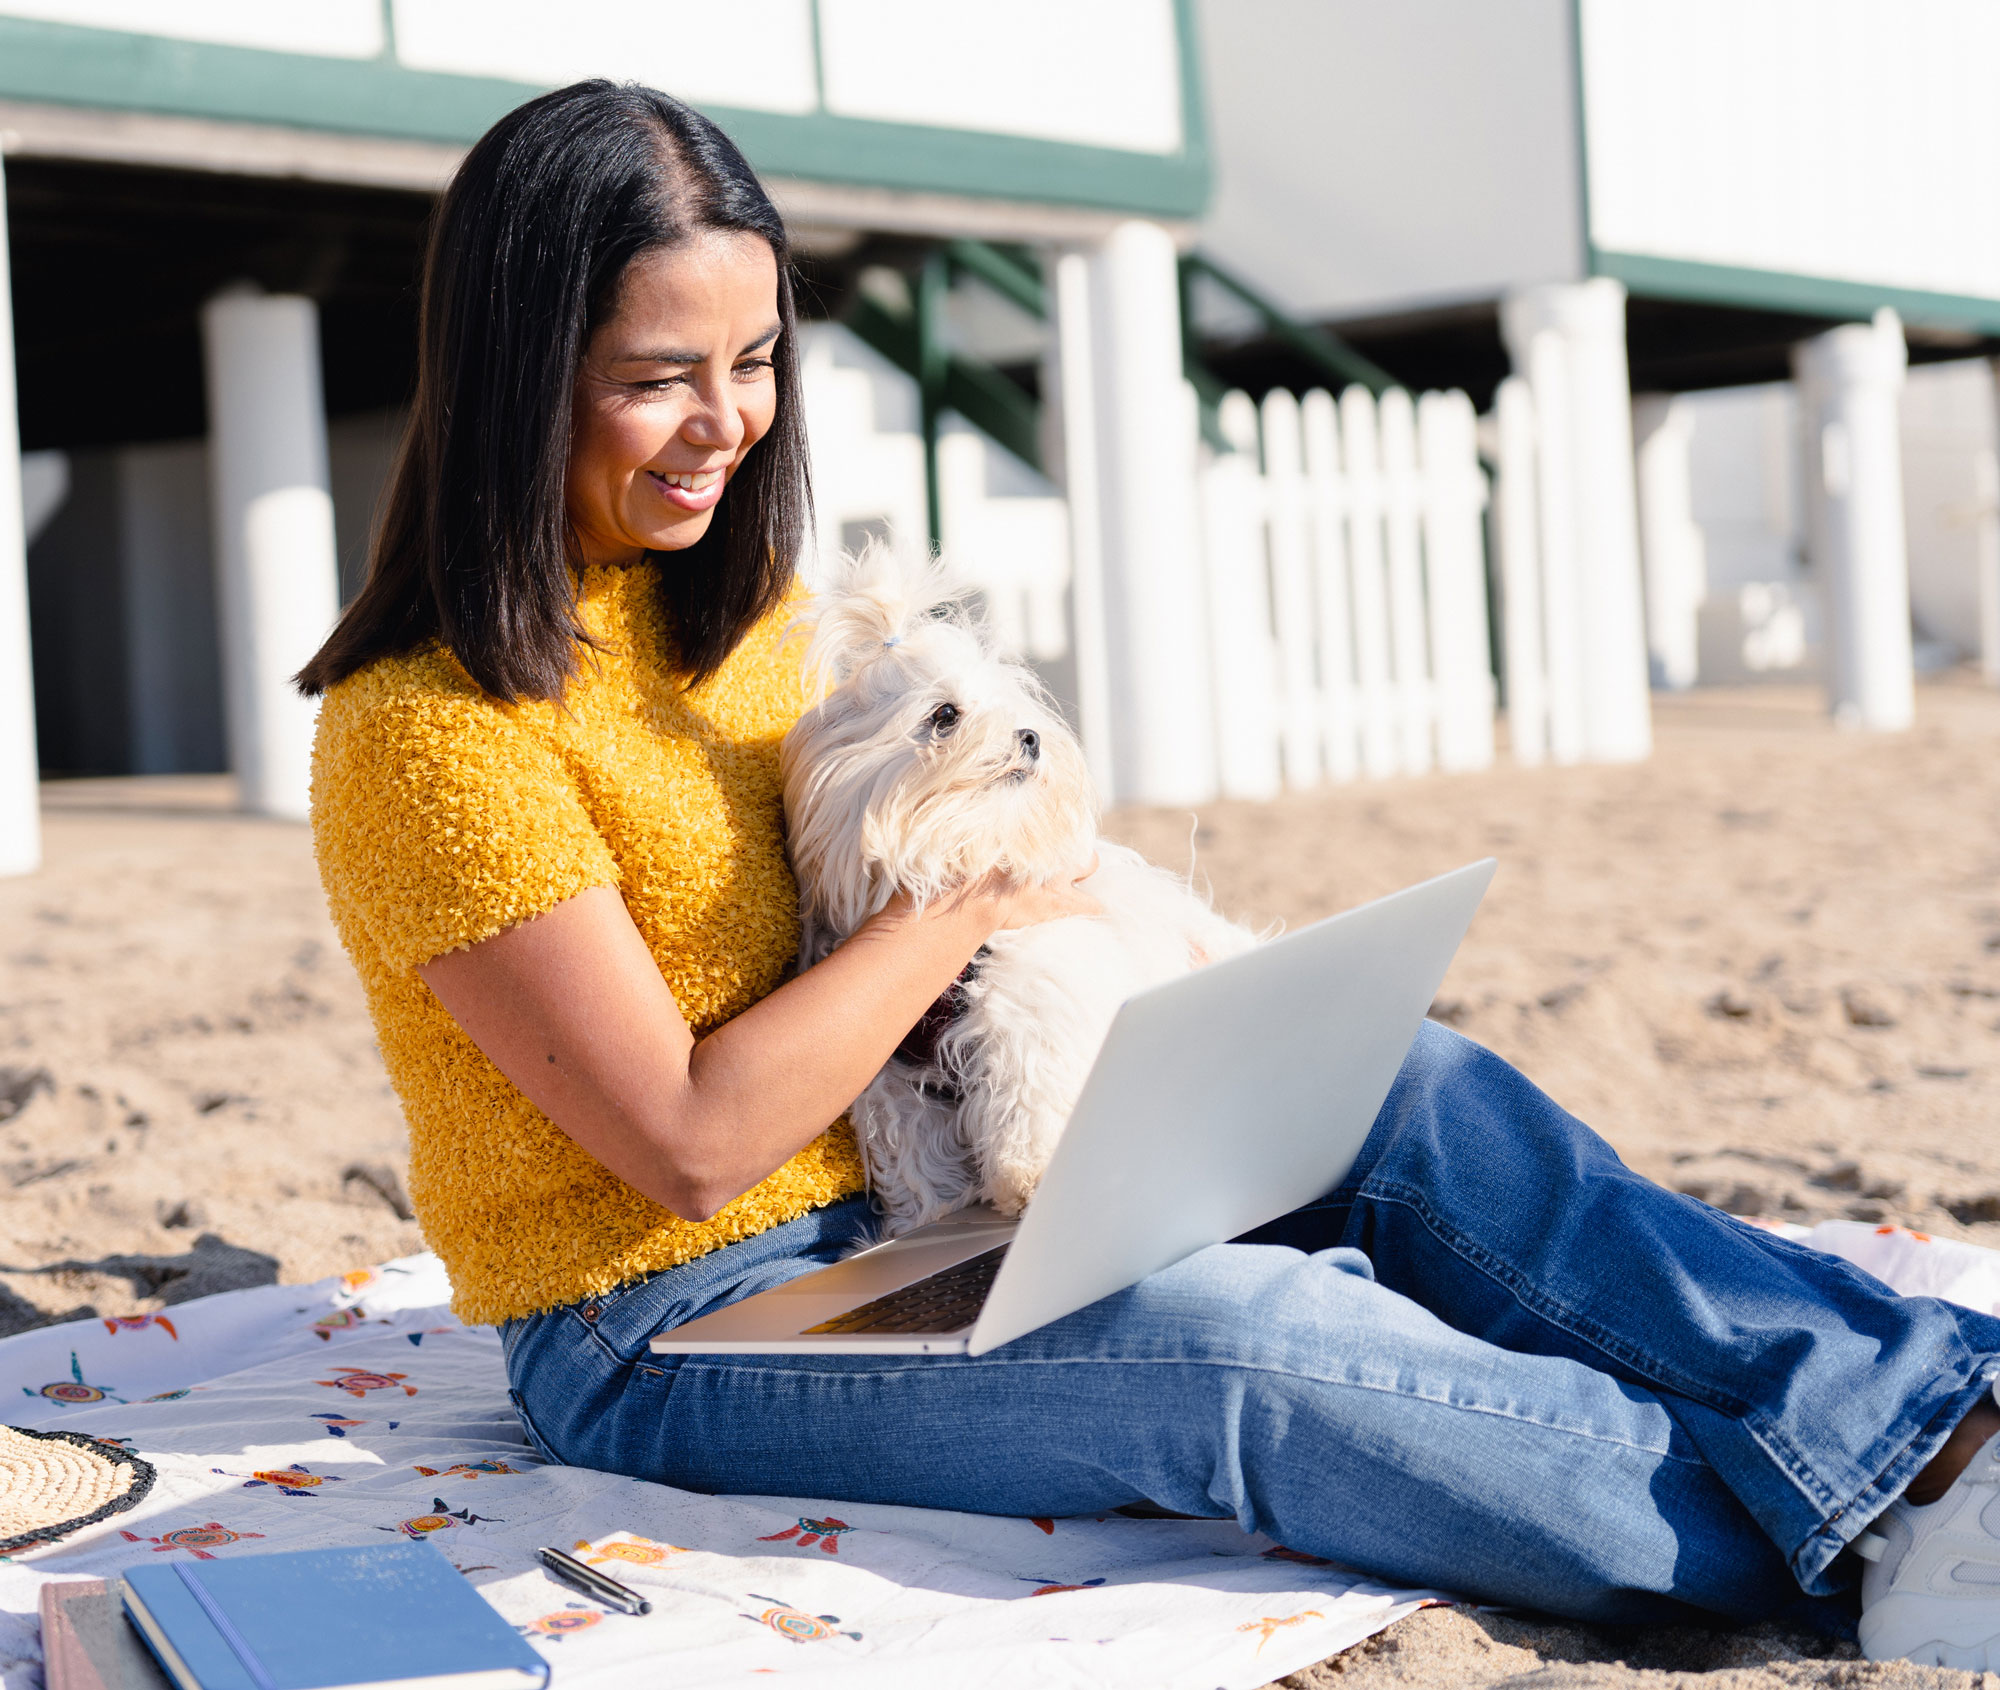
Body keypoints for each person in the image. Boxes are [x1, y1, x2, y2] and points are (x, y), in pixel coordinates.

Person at [301, 80, 2000, 1665]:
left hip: (927, 1182)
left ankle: (1929, 1428)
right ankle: (1841, 1555)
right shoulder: (429, 735)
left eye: (755, 359)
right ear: (523, 365)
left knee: (1401, 1091)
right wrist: (965, 902)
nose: (727, 421)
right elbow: (688, 1140)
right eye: (659, 373)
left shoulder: (741, 624)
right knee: (1249, 1351)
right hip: (671, 1321)